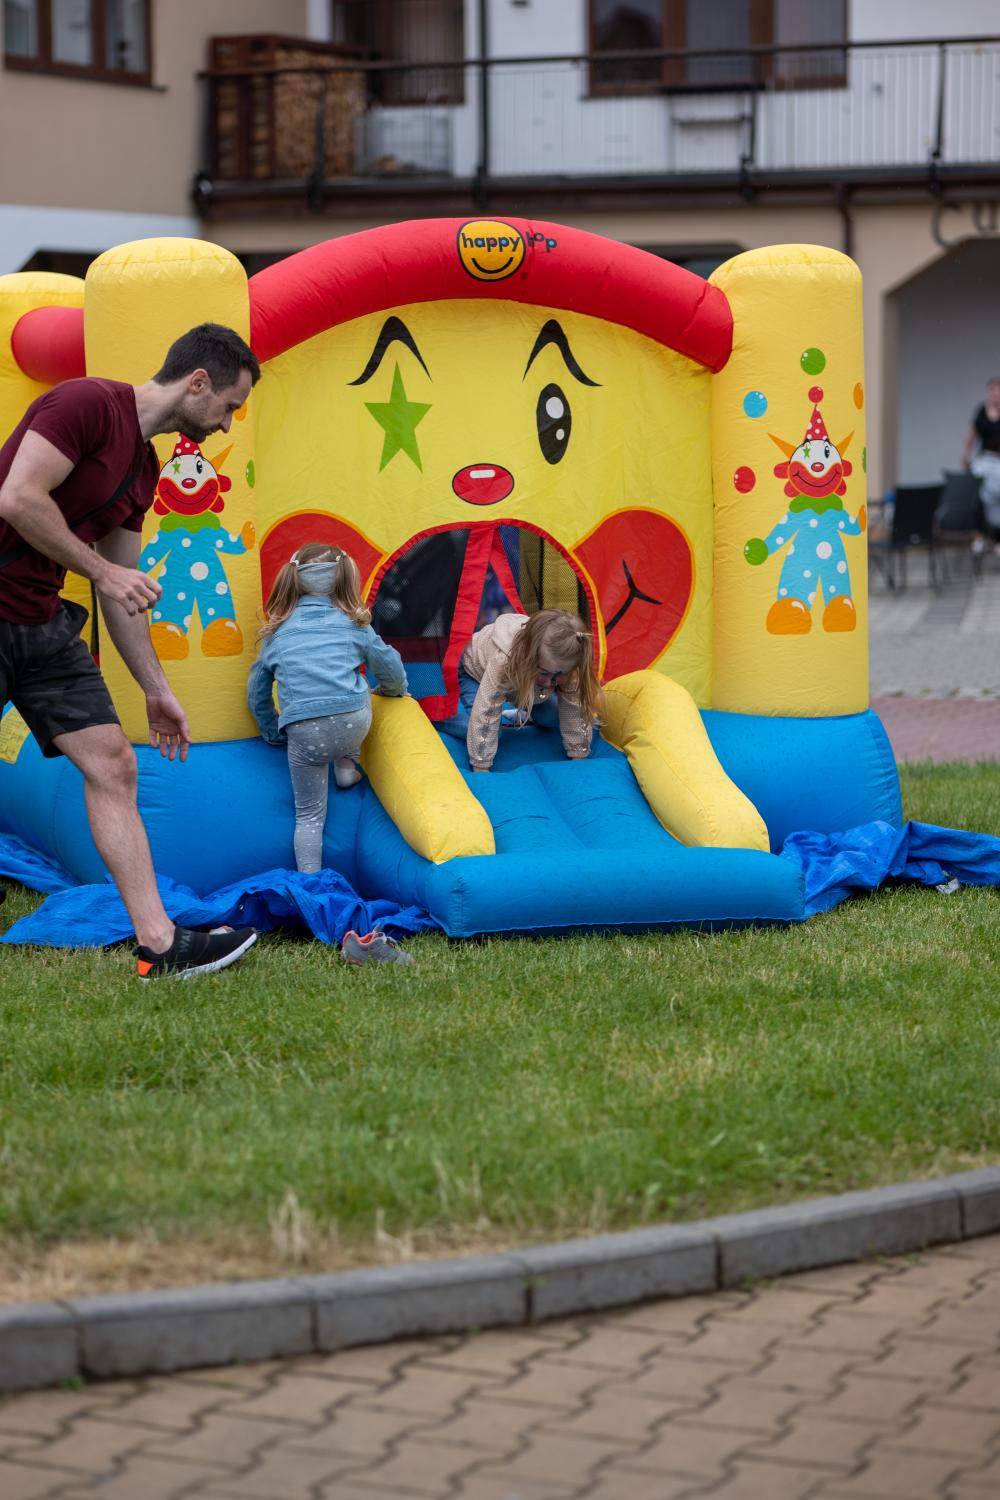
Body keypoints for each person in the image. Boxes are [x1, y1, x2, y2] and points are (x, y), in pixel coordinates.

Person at [0, 322, 261, 978]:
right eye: (229, 406)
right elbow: (18, 497)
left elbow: (123, 590)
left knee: (114, 763)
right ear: (197, 382)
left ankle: (160, 944)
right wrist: (101, 570)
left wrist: (156, 689)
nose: (226, 424)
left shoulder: (145, 469)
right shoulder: (86, 403)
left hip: (40, 622)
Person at [247, 543, 408, 873]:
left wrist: (271, 730)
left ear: (294, 578)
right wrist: (393, 691)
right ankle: (347, 767)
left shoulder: (277, 632)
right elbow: (389, 666)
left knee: (309, 815)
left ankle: (311, 881)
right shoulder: (355, 624)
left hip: (306, 734)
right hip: (353, 725)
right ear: (344, 578)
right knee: (352, 690)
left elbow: (256, 691)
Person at [452, 608, 603, 773]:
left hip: (524, 683)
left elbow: (574, 706)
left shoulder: (567, 661)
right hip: (476, 675)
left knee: (552, 717)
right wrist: (481, 765)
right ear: (530, 657)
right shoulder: (503, 662)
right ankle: (441, 719)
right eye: (544, 673)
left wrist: (579, 754)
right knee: (485, 731)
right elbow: (486, 710)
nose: (549, 682)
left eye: (559, 675)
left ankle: (527, 707)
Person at [961, 376, 1000, 545]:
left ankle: (997, 536)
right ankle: (980, 535)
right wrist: (965, 455)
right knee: (977, 494)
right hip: (984, 459)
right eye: (992, 390)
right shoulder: (981, 411)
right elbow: (972, 434)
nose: (995, 393)